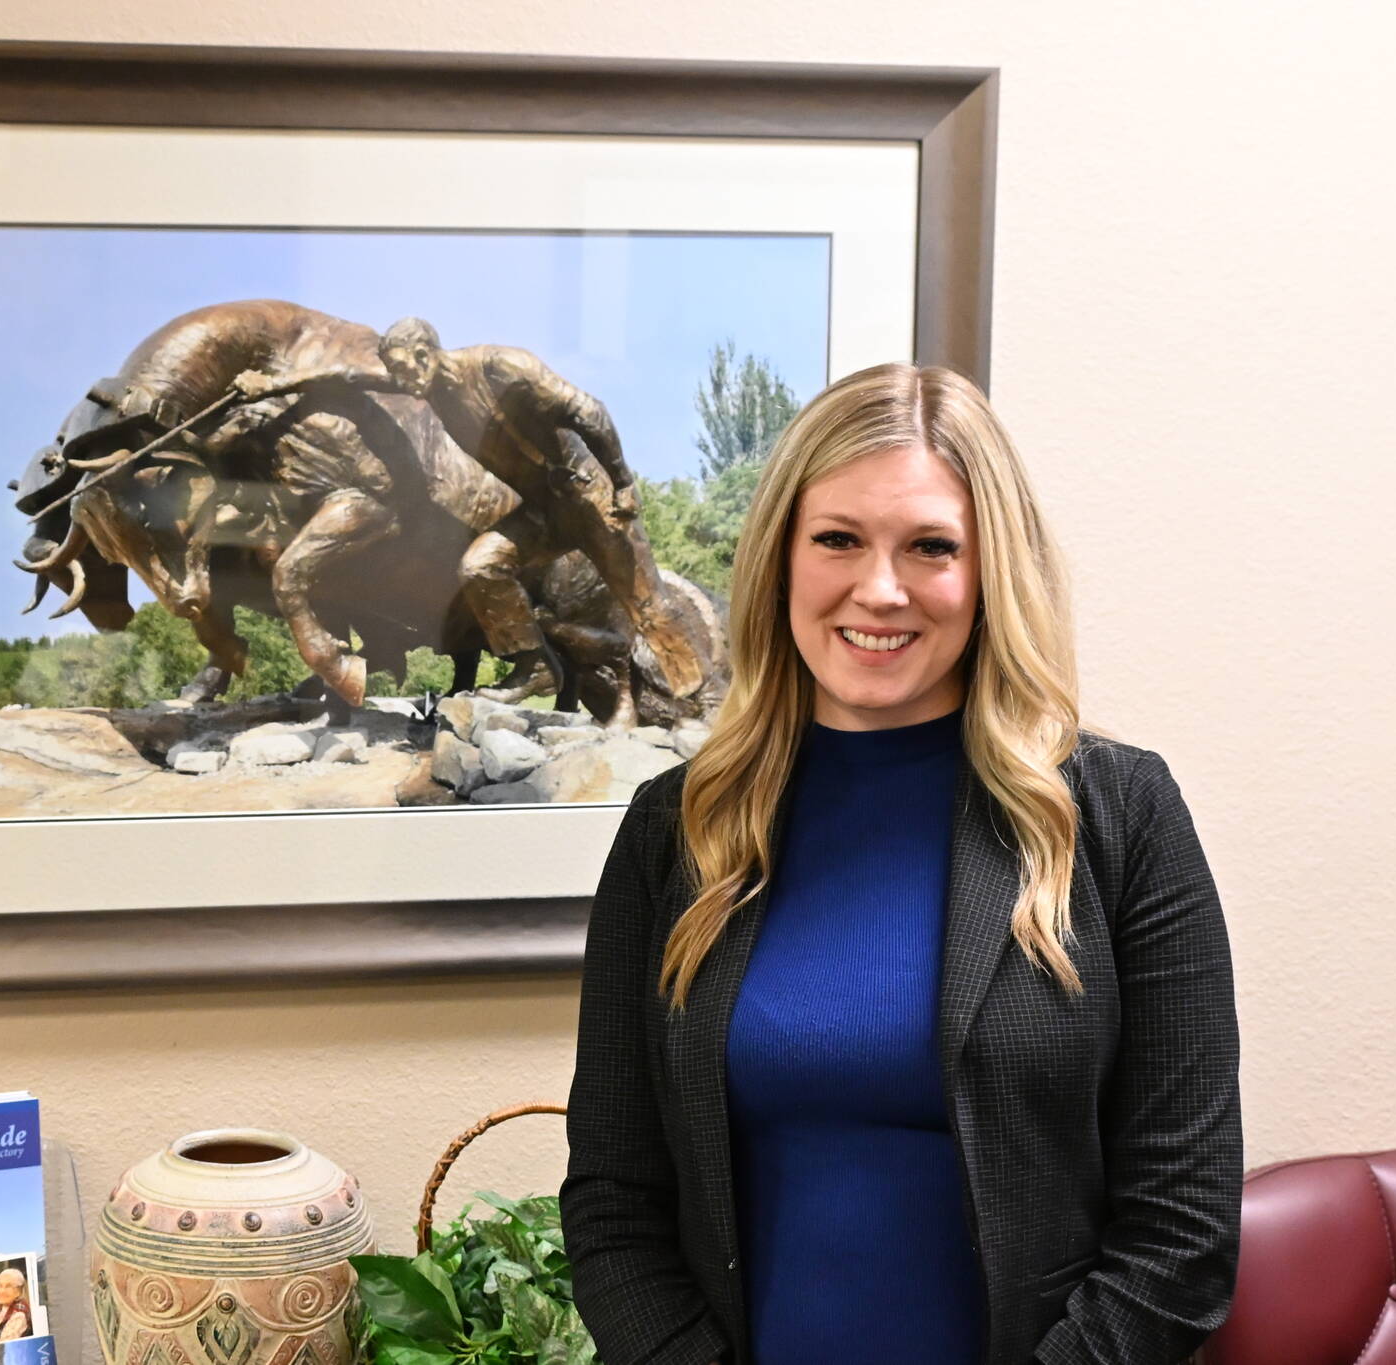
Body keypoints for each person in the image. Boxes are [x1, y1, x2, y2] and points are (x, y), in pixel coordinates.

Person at [558, 364, 1242, 1365]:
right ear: (781, 558)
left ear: (989, 573)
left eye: (930, 546)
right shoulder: (677, 830)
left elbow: (1181, 1230)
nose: (878, 589)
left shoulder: (1117, 816)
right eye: (836, 539)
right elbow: (614, 1206)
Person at [232, 317, 709, 705]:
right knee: (481, 566)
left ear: (425, 355)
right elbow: (347, 376)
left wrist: (623, 483)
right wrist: (274, 385)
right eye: (394, 373)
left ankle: (698, 705)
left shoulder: (500, 366)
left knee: (650, 607)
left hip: (592, 498)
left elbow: (591, 411)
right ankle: (535, 667)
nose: (400, 383)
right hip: (544, 510)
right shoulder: (426, 383)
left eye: (403, 369)